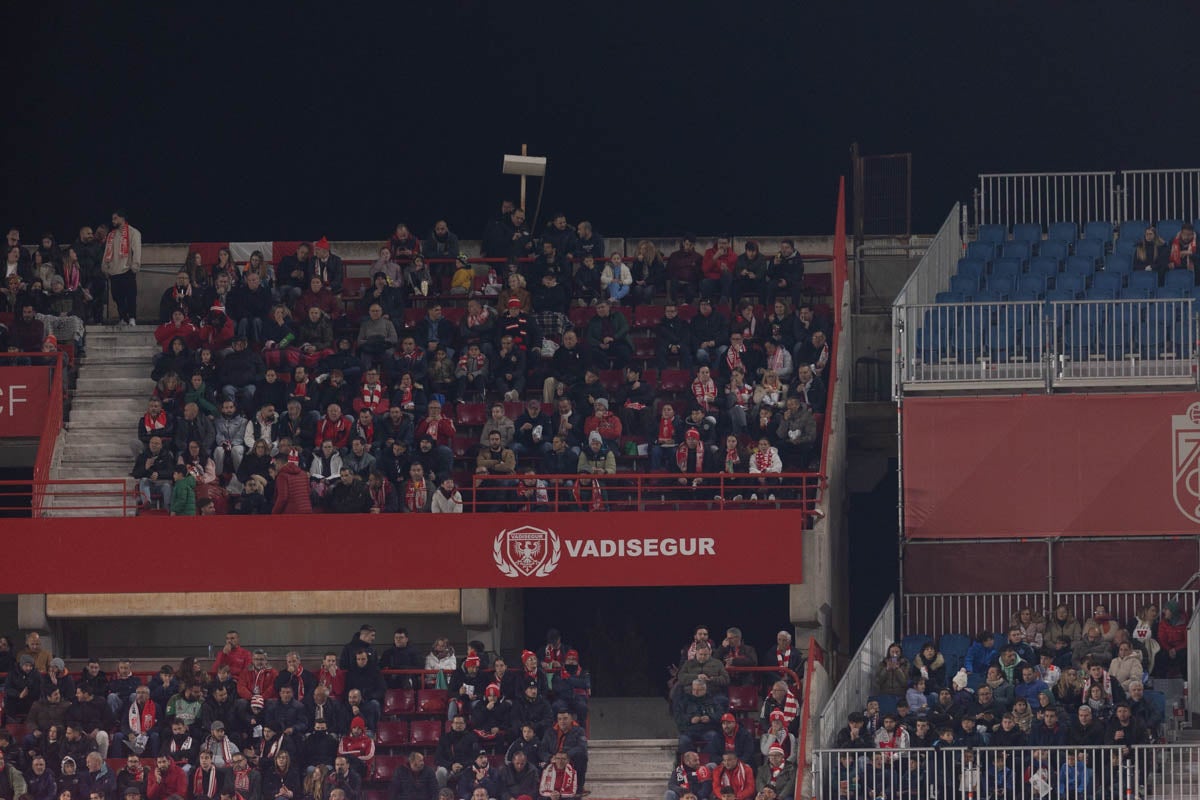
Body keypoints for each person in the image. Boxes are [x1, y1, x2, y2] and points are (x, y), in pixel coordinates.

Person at [101, 209, 142, 326]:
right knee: (117, 297)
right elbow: (107, 252)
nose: (113, 221)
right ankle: (123, 318)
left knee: (130, 296)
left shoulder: (133, 232)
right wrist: (105, 267)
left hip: (127, 269)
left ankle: (132, 318)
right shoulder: (111, 235)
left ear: (122, 218)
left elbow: (137, 251)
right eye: (112, 218)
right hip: (114, 271)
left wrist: (135, 266)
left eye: (115, 218)